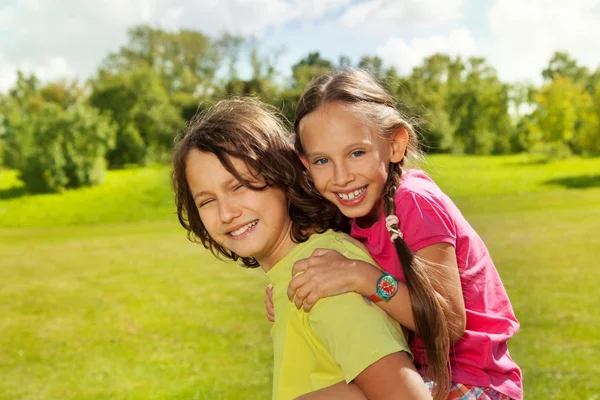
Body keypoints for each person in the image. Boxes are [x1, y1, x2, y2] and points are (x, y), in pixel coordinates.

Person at [266, 69, 522, 400]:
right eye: (322, 160)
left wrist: (366, 278)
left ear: (395, 144)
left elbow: (448, 322)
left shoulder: (413, 201)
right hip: (421, 377)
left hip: (474, 384)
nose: (342, 176)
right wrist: (291, 288)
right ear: (305, 164)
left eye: (356, 153)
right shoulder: (352, 216)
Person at [171, 97, 431, 400]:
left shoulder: (324, 273)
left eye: (239, 185)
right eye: (206, 201)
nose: (226, 213)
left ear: (282, 174)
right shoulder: (292, 274)